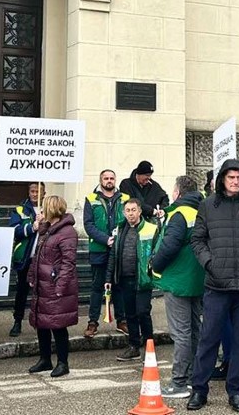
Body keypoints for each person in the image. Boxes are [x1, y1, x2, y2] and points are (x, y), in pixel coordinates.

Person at [187, 159, 239, 413]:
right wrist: (209, 263)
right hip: (217, 285)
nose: (235, 181)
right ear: (222, 179)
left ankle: (236, 391)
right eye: (230, 177)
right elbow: (197, 240)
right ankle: (199, 390)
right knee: (208, 340)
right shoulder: (207, 206)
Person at [152, 176, 205, 399]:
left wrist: (154, 264)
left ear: (178, 192)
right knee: (195, 331)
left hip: (177, 280)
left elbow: (170, 245)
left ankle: (179, 382)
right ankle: (195, 376)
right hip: (197, 279)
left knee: (181, 333)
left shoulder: (178, 214)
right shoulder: (201, 212)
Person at [27, 194, 79, 377]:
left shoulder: (67, 233)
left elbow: (68, 263)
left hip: (55, 285)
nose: (41, 211)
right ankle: (45, 359)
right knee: (42, 323)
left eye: (44, 208)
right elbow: (38, 256)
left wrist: (60, 286)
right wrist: (32, 276)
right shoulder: (48, 230)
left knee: (58, 325)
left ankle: (63, 363)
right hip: (43, 284)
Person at [107, 198, 158, 362]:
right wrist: (108, 277)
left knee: (143, 312)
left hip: (143, 279)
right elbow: (113, 255)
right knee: (130, 314)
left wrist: (152, 272)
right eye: (127, 210)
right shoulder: (119, 229)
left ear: (140, 211)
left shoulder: (151, 228)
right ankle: (134, 347)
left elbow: (158, 252)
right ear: (123, 212)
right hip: (124, 278)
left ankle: (149, 348)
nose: (130, 213)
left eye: (133, 210)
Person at [83, 169, 130, 337]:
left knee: (118, 287)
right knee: (97, 287)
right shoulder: (91, 198)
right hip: (99, 250)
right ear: (100, 180)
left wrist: (118, 239)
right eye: (106, 178)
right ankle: (92, 322)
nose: (109, 181)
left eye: (112, 178)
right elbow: (88, 225)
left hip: (119, 250)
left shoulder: (124, 198)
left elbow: (128, 220)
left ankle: (122, 321)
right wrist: (106, 239)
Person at [9, 182, 42, 336]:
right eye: (33, 191)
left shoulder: (48, 208)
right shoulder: (20, 209)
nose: (35, 194)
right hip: (25, 257)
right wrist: (32, 227)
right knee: (21, 291)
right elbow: (14, 230)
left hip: (43, 259)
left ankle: (41, 322)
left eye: (38, 191)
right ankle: (17, 321)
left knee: (42, 292)